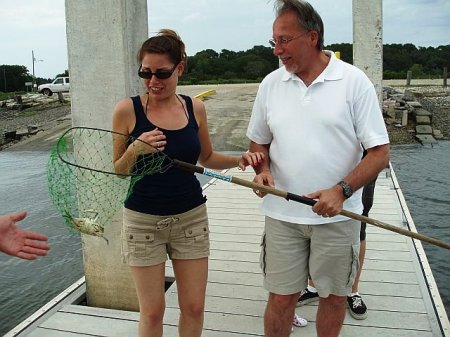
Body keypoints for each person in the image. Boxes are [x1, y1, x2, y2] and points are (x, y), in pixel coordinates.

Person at [246, 1, 390, 336]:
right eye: (274, 42)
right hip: (282, 216)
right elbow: (258, 144)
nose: (277, 51)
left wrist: (341, 190)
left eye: (284, 40)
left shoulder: (354, 82)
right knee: (281, 300)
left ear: (312, 37)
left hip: (339, 219)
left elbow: (379, 152)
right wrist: (261, 170)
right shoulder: (270, 84)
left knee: (334, 298)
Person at [112, 29, 263, 337]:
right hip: (143, 223)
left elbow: (206, 157)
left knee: (193, 308)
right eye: (146, 73)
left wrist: (240, 159)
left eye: (162, 73)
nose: (153, 82)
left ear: (180, 68)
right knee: (153, 313)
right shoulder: (127, 110)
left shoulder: (195, 108)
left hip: (190, 219)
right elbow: (118, 170)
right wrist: (136, 148)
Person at [297, 171, 378, 321]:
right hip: (326, 167)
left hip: (361, 166)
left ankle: (352, 292)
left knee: (359, 227)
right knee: (315, 218)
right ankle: (313, 287)